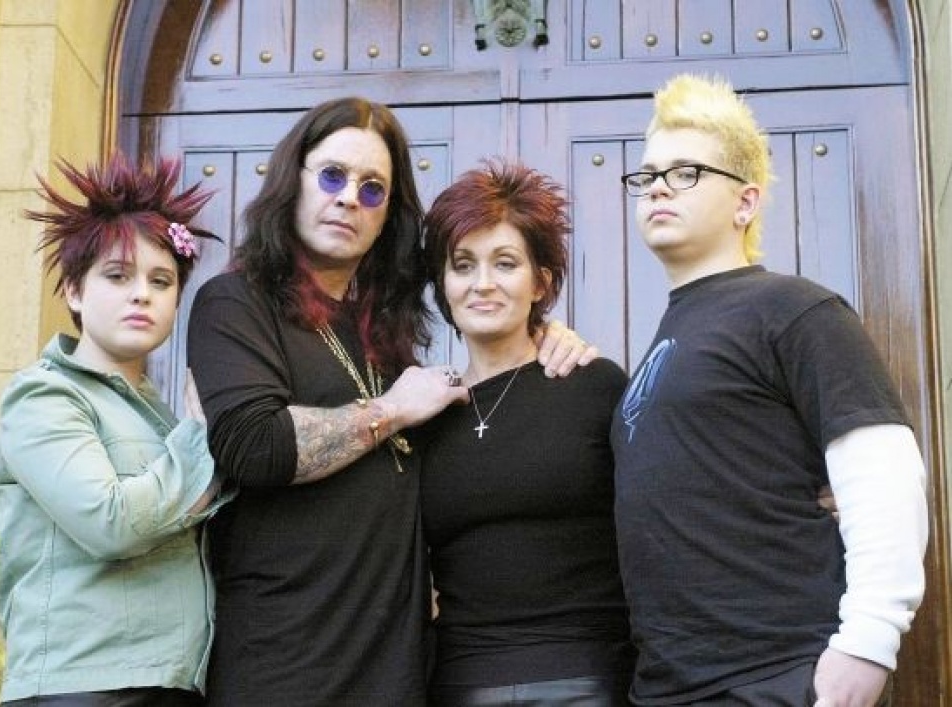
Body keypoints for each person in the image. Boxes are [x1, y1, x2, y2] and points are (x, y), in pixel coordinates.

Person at [186, 97, 593, 706]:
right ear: (292, 179)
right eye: (332, 176)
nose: (349, 198)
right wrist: (391, 411)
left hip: (394, 674)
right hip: (284, 667)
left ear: (387, 215)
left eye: (372, 188)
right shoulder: (235, 303)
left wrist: (543, 337)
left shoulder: (386, 334)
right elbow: (255, 445)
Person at [612, 74, 928, 707]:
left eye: (685, 173)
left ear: (745, 202)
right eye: (646, 176)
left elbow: (884, 472)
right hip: (669, 687)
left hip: (774, 677)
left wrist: (868, 644)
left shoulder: (794, 310)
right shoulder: (667, 336)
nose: (658, 188)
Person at [0, 153, 223, 706]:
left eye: (161, 281)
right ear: (74, 290)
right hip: (82, 685)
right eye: (117, 276)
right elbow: (111, 522)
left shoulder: (159, 415)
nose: (142, 293)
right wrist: (202, 436)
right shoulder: (43, 395)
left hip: (171, 683)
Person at [419, 160, 635, 706]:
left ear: (540, 282)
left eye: (505, 263)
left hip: (587, 680)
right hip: (460, 685)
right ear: (443, 284)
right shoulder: (424, 413)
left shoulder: (595, 386)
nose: (482, 283)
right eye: (462, 265)